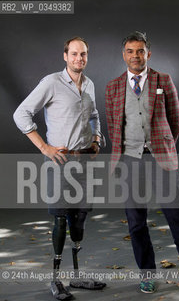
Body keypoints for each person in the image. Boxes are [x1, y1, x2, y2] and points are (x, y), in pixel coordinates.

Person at [105, 31, 179, 293]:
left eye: (140, 51)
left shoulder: (163, 79)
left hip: (160, 159)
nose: (135, 56)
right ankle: (147, 274)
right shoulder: (113, 87)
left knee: (177, 216)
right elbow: (113, 127)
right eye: (130, 51)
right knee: (136, 222)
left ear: (148, 54)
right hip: (129, 161)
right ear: (123, 55)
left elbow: (175, 121)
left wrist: (161, 147)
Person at [14, 37, 106, 300]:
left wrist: (97, 138)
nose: (79, 59)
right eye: (74, 54)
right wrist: (44, 147)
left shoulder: (89, 84)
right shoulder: (51, 82)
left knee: (79, 220)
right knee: (60, 219)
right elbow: (21, 113)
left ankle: (76, 278)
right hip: (60, 163)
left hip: (85, 161)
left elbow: (94, 115)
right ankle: (55, 280)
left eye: (84, 54)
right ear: (65, 56)